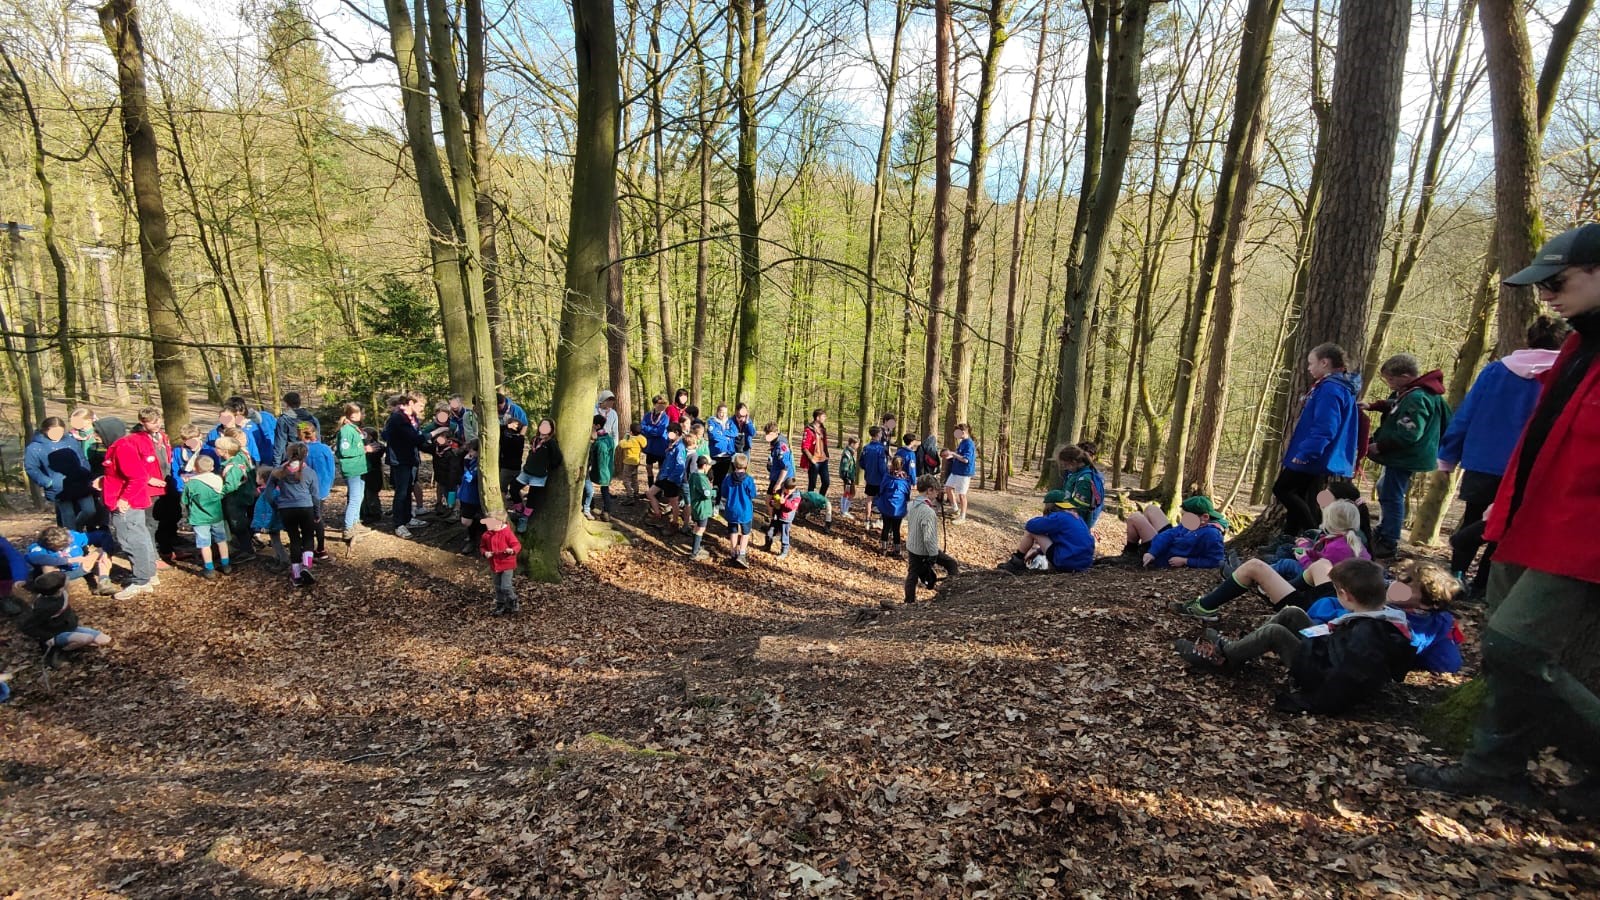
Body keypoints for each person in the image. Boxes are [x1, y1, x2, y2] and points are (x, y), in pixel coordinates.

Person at [1404, 223, 1600, 818]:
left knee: (1515, 648)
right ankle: (1494, 765)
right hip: (1525, 522)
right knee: (1506, 653)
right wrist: (1505, 505)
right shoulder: (1577, 348)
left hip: (1578, 537)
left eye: (1558, 282)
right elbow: (1543, 439)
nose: (1547, 296)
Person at [1174, 559, 1414, 715]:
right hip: (1325, 654)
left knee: (1275, 633)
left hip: (1319, 675)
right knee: (1292, 613)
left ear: (1345, 595)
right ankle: (1240, 648)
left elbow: (1345, 678)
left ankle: (1224, 657)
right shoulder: (1377, 615)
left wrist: (1308, 699)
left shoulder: (1368, 635)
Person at [1438, 315, 1569, 596]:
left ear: (1529, 339)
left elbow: (1467, 413)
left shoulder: (1496, 371)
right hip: (1529, 468)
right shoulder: (1564, 376)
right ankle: (1482, 585)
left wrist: (1448, 455)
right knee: (1505, 528)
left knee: (1473, 518)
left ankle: (1455, 578)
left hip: (1483, 460)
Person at [1365, 354, 1450, 557]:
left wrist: (1380, 447)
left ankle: (1389, 540)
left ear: (1404, 376)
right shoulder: (1414, 392)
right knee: (1384, 487)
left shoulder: (1416, 398)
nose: (1389, 384)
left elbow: (1409, 433)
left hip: (1404, 456)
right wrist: (1374, 405)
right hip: (1406, 455)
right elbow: (1395, 404)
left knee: (1391, 494)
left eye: (1391, 379)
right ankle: (1385, 529)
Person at [1273, 342, 1362, 535]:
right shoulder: (1335, 386)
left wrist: (1306, 453)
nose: (1308, 368)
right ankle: (1289, 537)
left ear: (1324, 362)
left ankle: (1313, 533)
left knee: (1282, 489)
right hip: (1317, 452)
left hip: (1315, 453)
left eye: (1311, 363)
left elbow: (1326, 426)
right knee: (1299, 493)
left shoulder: (1331, 389)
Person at [102, 407, 168, 600]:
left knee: (132, 540)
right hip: (129, 498)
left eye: (98, 433)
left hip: (126, 502)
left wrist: (124, 499)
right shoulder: (125, 445)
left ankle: (141, 581)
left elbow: (138, 476)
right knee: (141, 536)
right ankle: (149, 574)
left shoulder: (123, 447)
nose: (96, 436)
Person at [20, 572, 111, 668]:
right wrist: (48, 637)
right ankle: (58, 650)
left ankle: (73, 641)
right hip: (55, 633)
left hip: (69, 627)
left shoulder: (62, 593)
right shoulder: (44, 607)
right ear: (60, 589)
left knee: (105, 640)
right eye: (66, 579)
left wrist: (75, 620)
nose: (68, 578)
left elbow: (67, 609)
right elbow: (27, 627)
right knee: (87, 639)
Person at [25, 416, 97, 531]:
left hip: (80, 482)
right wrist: (48, 482)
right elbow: (31, 468)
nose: (57, 434)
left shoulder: (71, 441)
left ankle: (78, 527)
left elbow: (82, 459)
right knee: (68, 516)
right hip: (58, 486)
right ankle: (73, 539)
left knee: (89, 510)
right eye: (53, 431)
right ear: (45, 430)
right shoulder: (35, 447)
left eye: (60, 431)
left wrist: (87, 474)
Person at [897, 474, 958, 608]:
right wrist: (933, 555)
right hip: (924, 549)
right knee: (951, 564)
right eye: (936, 491)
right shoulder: (928, 512)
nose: (937, 494)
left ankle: (909, 601)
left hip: (912, 546)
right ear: (929, 490)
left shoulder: (911, 505)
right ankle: (953, 593)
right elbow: (929, 537)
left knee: (912, 575)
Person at [998, 490, 1094, 574]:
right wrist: (1038, 551)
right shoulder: (1078, 518)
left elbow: (1030, 525)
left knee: (1031, 531)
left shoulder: (1058, 517)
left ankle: (1016, 561)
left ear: (1050, 506)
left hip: (1066, 562)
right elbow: (1069, 542)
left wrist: (1044, 518)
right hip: (1085, 562)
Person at [274, 443, 320, 587]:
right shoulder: (310, 472)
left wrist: (276, 504)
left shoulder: (278, 471)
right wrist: (317, 512)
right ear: (305, 455)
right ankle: (306, 566)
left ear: (288, 453)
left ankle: (296, 575)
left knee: (294, 539)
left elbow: (268, 492)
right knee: (308, 537)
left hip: (286, 509)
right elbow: (315, 495)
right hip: (306, 507)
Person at [383, 394, 428, 538]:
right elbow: (413, 438)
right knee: (401, 492)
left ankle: (407, 518)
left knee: (409, 489)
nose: (422, 409)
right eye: (420, 405)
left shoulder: (413, 418)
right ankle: (399, 524)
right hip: (400, 460)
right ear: (411, 403)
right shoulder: (398, 418)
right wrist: (433, 433)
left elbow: (417, 440)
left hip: (411, 459)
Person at [25, 526, 116, 595]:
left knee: (102, 551)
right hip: (58, 574)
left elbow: (102, 535)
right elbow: (34, 558)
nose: (64, 548)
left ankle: (104, 582)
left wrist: (107, 551)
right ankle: (52, 591)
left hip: (82, 566)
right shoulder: (38, 547)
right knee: (46, 565)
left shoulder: (73, 536)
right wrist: (68, 560)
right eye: (60, 547)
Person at [1141, 496, 1227, 569]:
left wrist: (1186, 561)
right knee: (1151, 509)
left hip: (1165, 559)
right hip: (1158, 550)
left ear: (1205, 517)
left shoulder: (1211, 534)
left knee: (1136, 518)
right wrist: (1152, 552)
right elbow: (1170, 534)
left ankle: (1135, 553)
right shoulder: (1191, 524)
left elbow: (1216, 561)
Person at [215, 435, 255, 562]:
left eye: (217, 448)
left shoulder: (232, 466)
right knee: (240, 523)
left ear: (225, 451)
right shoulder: (240, 458)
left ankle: (247, 550)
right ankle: (245, 546)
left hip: (235, 499)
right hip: (244, 495)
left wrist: (218, 494)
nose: (215, 450)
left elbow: (231, 486)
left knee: (237, 525)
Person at [334, 403, 370, 541]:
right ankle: (348, 528)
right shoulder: (346, 430)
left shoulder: (354, 428)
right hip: (352, 469)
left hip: (359, 468)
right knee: (354, 499)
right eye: (360, 412)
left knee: (359, 496)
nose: (362, 415)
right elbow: (344, 451)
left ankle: (356, 522)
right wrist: (364, 449)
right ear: (352, 414)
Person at [301, 421, 336, 561]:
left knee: (306, 520)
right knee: (317, 518)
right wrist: (328, 486)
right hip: (321, 489)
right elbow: (331, 469)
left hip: (304, 489)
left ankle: (307, 550)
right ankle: (320, 548)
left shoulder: (300, 450)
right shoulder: (325, 449)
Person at [517, 418, 561, 518]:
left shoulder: (551, 442)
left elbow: (558, 458)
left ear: (551, 429)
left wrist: (548, 467)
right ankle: (519, 510)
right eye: (542, 425)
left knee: (532, 497)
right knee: (513, 489)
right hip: (527, 471)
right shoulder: (534, 439)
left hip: (539, 475)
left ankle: (524, 518)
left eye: (547, 426)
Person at [720, 453, 758, 568]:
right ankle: (742, 553)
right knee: (745, 533)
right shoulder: (748, 480)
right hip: (745, 510)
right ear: (746, 465)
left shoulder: (728, 478)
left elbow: (724, 493)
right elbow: (753, 494)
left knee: (733, 531)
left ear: (734, 464)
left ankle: (733, 552)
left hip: (731, 509)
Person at [426, 404, 463, 516]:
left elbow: (460, 440)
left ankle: (451, 505)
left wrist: (452, 445)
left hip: (452, 459)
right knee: (440, 482)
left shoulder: (453, 426)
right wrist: (435, 448)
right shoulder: (430, 427)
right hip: (439, 459)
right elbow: (423, 441)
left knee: (452, 483)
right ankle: (440, 503)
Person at [647, 424, 687, 526]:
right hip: (663, 476)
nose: (667, 435)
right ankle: (657, 514)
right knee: (650, 493)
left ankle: (674, 523)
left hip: (672, 479)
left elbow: (680, 466)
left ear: (676, 433)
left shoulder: (680, 447)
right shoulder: (671, 444)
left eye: (669, 432)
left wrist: (671, 479)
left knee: (673, 502)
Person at [481, 515, 522, 616]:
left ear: (499, 523)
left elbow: (517, 545)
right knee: (498, 586)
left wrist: (512, 550)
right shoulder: (486, 535)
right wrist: (485, 553)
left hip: (507, 564)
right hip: (494, 565)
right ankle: (500, 604)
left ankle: (513, 600)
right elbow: (482, 547)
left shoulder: (507, 533)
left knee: (505, 586)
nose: (488, 525)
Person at [1057, 445, 1104, 527]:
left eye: (1065, 465)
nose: (1065, 468)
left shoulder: (1084, 479)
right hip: (1069, 517)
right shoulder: (1076, 473)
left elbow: (1080, 509)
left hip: (1077, 523)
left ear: (1074, 462)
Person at [875, 455, 912, 558]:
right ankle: (897, 550)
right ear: (902, 465)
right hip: (899, 509)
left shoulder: (887, 477)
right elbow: (907, 494)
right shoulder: (905, 479)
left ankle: (884, 548)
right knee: (896, 529)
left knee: (886, 527)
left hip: (887, 506)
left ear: (892, 464)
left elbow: (881, 490)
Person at [941, 424, 977, 523]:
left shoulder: (969, 444)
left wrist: (953, 454)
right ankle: (955, 509)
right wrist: (949, 456)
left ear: (963, 432)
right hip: (955, 471)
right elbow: (958, 455)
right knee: (948, 488)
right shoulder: (962, 442)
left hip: (964, 473)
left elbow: (965, 460)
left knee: (962, 495)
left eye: (957, 433)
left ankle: (962, 517)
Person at [583, 414, 615, 522]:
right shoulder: (609, 438)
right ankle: (604, 510)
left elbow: (594, 456)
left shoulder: (599, 442)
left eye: (592, 424)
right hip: (608, 469)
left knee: (590, 487)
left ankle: (604, 512)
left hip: (601, 469)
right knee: (604, 489)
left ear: (597, 426)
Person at [274, 391, 321, 463]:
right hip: (312, 457)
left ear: (286, 404)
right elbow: (318, 440)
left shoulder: (284, 420)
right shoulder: (313, 419)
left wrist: (276, 464)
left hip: (294, 459)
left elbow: (280, 445)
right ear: (299, 402)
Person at [858, 426, 889, 530]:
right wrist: (886, 475)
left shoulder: (866, 448)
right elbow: (882, 466)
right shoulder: (880, 449)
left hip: (869, 478)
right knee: (883, 499)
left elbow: (861, 463)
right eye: (880, 433)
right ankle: (881, 520)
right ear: (878, 434)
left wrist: (868, 469)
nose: (881, 435)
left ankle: (867, 520)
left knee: (869, 499)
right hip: (880, 479)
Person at [687, 455, 717, 561]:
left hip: (696, 506)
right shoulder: (701, 478)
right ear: (704, 465)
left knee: (697, 527)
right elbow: (707, 494)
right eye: (709, 465)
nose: (710, 467)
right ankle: (694, 553)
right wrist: (715, 491)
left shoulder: (693, 475)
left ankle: (697, 547)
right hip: (702, 508)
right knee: (701, 529)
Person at [764, 477, 801, 560]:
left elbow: (791, 507)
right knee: (770, 532)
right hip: (776, 516)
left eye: (789, 490)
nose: (787, 491)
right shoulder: (780, 491)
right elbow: (773, 499)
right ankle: (767, 545)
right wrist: (772, 503)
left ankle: (784, 551)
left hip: (786, 519)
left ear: (794, 488)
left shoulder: (796, 496)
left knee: (784, 535)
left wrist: (784, 502)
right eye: (785, 489)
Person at [457, 441, 484, 553]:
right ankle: (473, 537)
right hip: (465, 495)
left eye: (472, 450)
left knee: (467, 521)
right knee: (466, 520)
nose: (469, 453)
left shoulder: (480, 465)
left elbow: (470, 478)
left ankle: (475, 538)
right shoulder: (472, 460)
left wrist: (466, 464)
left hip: (472, 497)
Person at [640, 395, 671, 487]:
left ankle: (659, 489)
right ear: (654, 404)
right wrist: (653, 430)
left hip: (661, 446)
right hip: (650, 446)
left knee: (661, 469)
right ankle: (650, 487)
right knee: (648, 467)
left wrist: (648, 430)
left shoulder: (665, 417)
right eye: (659, 403)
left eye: (663, 404)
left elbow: (660, 432)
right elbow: (642, 428)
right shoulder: (647, 415)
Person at [802, 409, 830, 496]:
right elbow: (804, 447)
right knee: (812, 485)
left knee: (826, 482)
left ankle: (820, 500)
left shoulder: (822, 429)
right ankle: (810, 501)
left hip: (823, 460)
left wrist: (827, 455)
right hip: (814, 461)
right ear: (817, 417)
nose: (825, 418)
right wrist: (811, 459)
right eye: (823, 416)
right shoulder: (808, 430)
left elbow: (825, 443)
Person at [617, 423, 646, 502]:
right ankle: (636, 494)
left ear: (631, 432)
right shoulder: (640, 439)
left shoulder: (631, 440)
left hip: (629, 462)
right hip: (636, 462)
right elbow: (644, 442)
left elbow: (622, 444)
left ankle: (630, 496)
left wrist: (626, 436)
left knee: (626, 480)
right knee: (634, 479)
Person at [839, 436, 860, 520]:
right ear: (852, 444)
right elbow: (844, 466)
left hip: (850, 476)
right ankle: (844, 511)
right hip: (848, 477)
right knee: (848, 493)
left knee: (850, 493)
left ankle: (845, 510)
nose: (858, 446)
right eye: (857, 444)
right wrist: (846, 478)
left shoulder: (850, 452)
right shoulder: (847, 453)